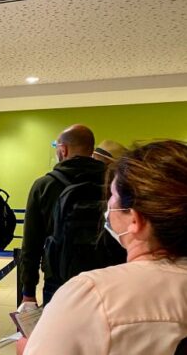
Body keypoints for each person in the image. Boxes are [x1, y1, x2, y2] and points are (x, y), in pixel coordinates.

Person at [18, 140, 187, 355]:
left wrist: (27, 348)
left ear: (134, 219)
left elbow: (31, 244)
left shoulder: (89, 294)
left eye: (112, 196)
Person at [19, 124, 106, 306]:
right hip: (105, 278)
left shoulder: (44, 185)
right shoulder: (113, 181)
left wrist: (28, 291)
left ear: (63, 150)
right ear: (91, 150)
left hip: (59, 279)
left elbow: (31, 244)